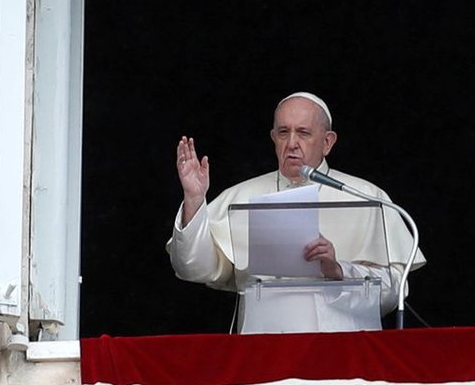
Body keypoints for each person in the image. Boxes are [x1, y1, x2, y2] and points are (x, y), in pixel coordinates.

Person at [166, 92, 425, 332]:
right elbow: (193, 268)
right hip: (263, 349)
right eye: (283, 132)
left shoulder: (368, 197)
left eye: (303, 133)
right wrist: (195, 199)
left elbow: (393, 293)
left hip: (344, 350)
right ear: (273, 138)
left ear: (327, 142)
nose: (292, 143)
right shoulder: (241, 197)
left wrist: (338, 271)